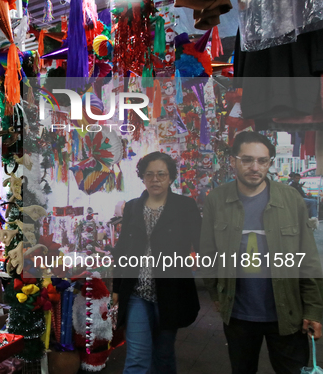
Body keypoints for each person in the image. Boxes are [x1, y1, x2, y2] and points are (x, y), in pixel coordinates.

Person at [199, 131, 323, 374]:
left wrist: (313, 310)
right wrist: (215, 292)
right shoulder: (217, 199)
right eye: (246, 159)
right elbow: (208, 253)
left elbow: (308, 258)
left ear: (269, 163)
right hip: (238, 315)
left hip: (287, 313)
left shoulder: (290, 199)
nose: (254, 167)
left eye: (262, 161)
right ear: (233, 160)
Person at [113, 152, 202, 374]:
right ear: (142, 177)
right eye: (149, 174)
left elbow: (202, 243)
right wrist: (116, 288)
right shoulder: (132, 207)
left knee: (163, 354)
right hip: (136, 293)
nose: (155, 179)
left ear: (170, 177)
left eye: (161, 174)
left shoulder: (185, 206)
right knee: (136, 357)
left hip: (170, 293)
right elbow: (122, 250)